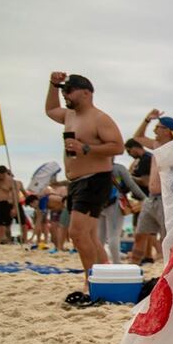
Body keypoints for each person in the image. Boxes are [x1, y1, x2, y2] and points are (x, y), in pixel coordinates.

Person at [44, 73, 124, 288]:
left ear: (86, 93)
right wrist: (53, 85)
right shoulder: (69, 115)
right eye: (63, 91)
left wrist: (86, 148)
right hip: (77, 182)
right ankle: (105, 277)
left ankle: (91, 282)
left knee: (77, 233)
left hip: (95, 180)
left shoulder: (99, 118)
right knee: (89, 235)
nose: (65, 95)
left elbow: (118, 146)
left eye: (69, 91)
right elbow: (50, 110)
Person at [128, 111, 173, 264]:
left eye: (158, 127)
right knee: (140, 234)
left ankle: (169, 272)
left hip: (166, 199)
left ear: (167, 131)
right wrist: (146, 120)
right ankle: (133, 267)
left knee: (167, 239)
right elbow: (137, 137)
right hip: (151, 198)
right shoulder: (156, 145)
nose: (154, 130)